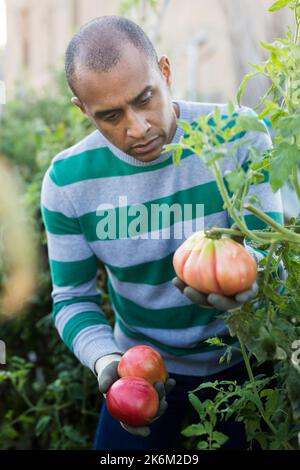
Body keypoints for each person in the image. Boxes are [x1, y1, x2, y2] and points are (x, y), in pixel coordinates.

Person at [40, 16, 284, 450]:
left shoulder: (239, 135)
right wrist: (108, 363)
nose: (137, 128)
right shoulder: (67, 182)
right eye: (110, 116)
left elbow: (279, 250)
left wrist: (257, 277)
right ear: (82, 109)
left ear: (166, 72)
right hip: (143, 374)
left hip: (248, 369)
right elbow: (73, 299)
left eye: (145, 98)